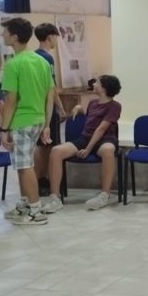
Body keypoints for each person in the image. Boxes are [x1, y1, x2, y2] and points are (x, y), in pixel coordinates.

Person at [0, 18, 55, 226]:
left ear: (14, 37)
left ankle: (35, 210)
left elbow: (11, 100)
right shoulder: (42, 61)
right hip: (37, 120)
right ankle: (25, 204)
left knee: (25, 166)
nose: (3, 35)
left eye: (5, 32)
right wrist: (46, 123)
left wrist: (4, 128)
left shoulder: (13, 64)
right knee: (23, 164)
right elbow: (50, 94)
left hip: (22, 121)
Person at [44, 75, 123, 212]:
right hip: (85, 138)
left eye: (97, 82)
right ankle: (55, 198)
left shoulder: (115, 106)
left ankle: (104, 195)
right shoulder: (92, 103)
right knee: (56, 151)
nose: (94, 84)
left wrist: (88, 149)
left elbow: (101, 129)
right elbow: (89, 117)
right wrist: (79, 107)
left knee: (108, 150)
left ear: (104, 88)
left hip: (105, 139)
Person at [33, 24, 68, 195]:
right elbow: (51, 87)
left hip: (36, 107)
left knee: (42, 145)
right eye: (55, 37)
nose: (55, 40)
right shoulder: (47, 58)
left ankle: (39, 180)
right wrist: (61, 107)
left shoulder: (33, 56)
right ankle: (39, 180)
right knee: (46, 147)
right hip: (47, 108)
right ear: (49, 37)